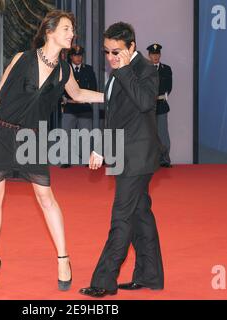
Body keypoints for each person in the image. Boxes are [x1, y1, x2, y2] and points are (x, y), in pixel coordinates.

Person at [0, 10, 103, 292]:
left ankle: (63, 258)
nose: (72, 34)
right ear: (50, 31)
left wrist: (112, 95)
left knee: (46, 197)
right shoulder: (22, 59)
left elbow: (78, 95)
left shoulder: (64, 70)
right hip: (1, 132)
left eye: (72, 30)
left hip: (32, 140)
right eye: (67, 29)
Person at [80, 22, 164, 298]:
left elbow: (144, 103)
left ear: (132, 47)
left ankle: (104, 281)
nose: (110, 57)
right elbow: (116, 115)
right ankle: (150, 275)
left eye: (116, 51)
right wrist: (102, 148)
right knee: (140, 216)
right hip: (124, 153)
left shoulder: (145, 69)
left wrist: (124, 69)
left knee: (122, 217)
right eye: (106, 52)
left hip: (138, 156)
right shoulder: (118, 72)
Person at [60, 45, 97, 168]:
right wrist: (63, 98)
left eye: (80, 55)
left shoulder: (89, 70)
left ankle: (87, 159)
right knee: (66, 134)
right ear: (71, 57)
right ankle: (65, 160)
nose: (78, 58)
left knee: (86, 134)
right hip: (69, 107)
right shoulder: (66, 70)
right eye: (76, 55)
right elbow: (60, 87)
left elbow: (93, 88)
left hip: (84, 107)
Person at [147, 43, 173, 168]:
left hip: (161, 105)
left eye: (157, 54)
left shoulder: (166, 69)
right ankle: (150, 161)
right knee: (148, 134)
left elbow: (169, 87)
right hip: (148, 106)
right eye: (153, 54)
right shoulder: (144, 69)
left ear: (160, 55)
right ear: (149, 55)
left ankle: (164, 159)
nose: (155, 56)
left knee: (163, 134)